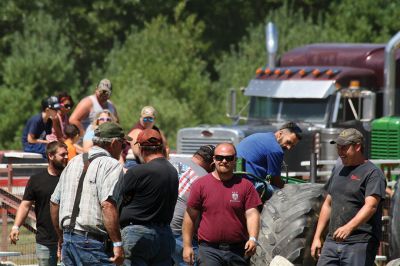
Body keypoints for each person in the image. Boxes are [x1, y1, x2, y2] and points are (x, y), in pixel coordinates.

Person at [50, 122, 130, 266]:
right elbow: (107, 205)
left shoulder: (73, 161)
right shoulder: (112, 165)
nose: (123, 149)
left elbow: (55, 202)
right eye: (123, 144)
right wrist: (118, 243)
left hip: (69, 240)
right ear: (114, 143)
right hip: (92, 244)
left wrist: (61, 236)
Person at [311, 128, 386, 266]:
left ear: (357, 146)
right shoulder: (338, 171)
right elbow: (328, 204)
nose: (340, 153)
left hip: (359, 243)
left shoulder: (372, 173)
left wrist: (348, 228)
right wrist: (317, 236)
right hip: (331, 243)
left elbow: (371, 206)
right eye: (338, 148)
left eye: (344, 148)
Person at [183, 143, 262, 265]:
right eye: (219, 157)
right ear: (214, 159)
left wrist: (253, 238)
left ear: (235, 160)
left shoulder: (246, 186)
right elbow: (190, 217)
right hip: (209, 251)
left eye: (229, 158)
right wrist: (187, 246)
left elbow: (252, 214)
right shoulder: (200, 185)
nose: (224, 161)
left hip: (238, 251)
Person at [114, 128, 178, 265]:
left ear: (141, 148)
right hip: (164, 234)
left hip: (137, 234)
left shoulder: (137, 172)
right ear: (161, 147)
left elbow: (117, 197)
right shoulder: (172, 171)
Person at [9, 141, 68, 266]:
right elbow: (25, 205)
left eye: (67, 154)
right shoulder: (36, 180)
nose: (66, 157)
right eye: (63, 155)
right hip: (45, 241)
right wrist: (15, 227)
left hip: (69, 240)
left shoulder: (70, 179)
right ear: (50, 156)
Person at [169, 145, 215, 266]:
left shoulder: (171, 162)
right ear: (212, 164)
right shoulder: (205, 178)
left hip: (157, 225)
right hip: (178, 232)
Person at [236, 122, 302, 200]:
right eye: (288, 142)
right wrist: (289, 189)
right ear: (280, 134)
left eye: (292, 146)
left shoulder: (262, 137)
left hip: (238, 178)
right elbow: (275, 180)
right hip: (252, 183)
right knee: (287, 197)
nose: (289, 147)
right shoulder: (275, 150)